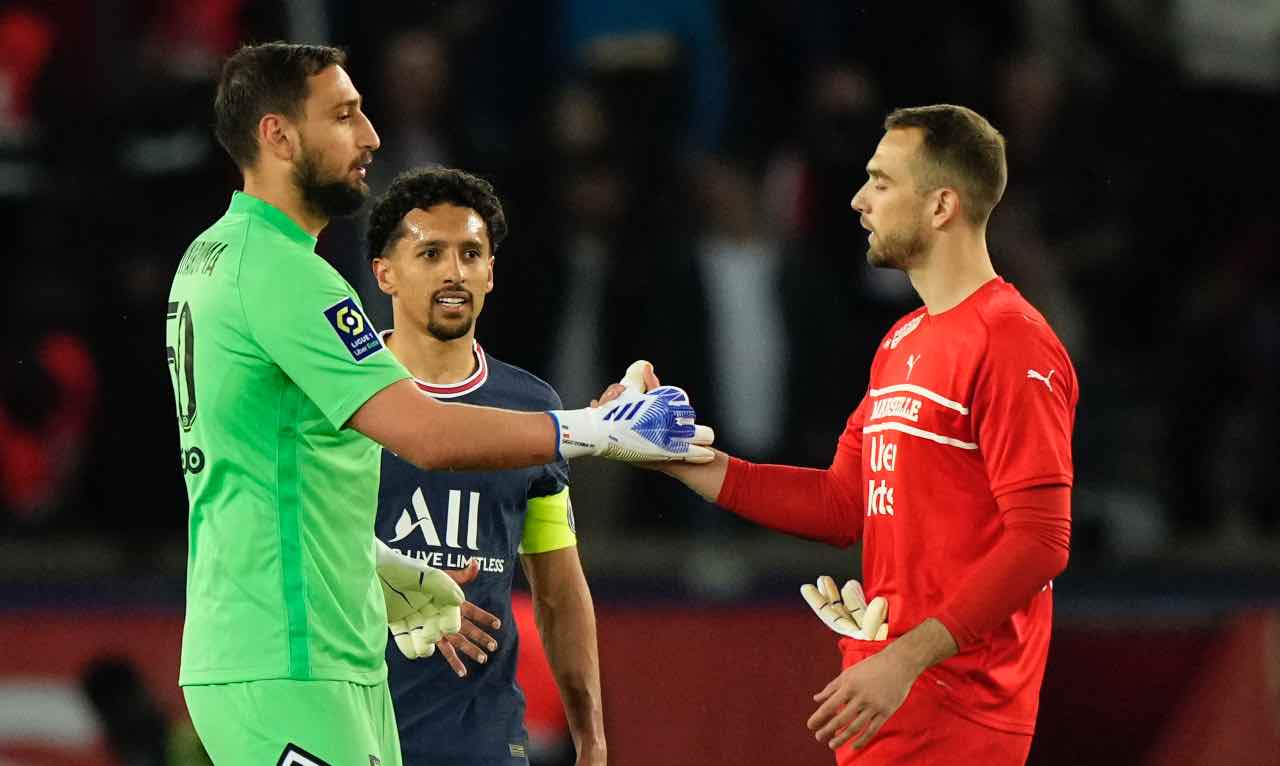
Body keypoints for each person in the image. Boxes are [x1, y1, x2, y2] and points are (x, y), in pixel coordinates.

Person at [167, 42, 707, 766]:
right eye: (345, 115)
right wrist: (596, 430)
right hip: (287, 657)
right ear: (278, 135)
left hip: (322, 651)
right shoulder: (287, 276)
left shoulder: (217, 255)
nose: (371, 137)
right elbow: (422, 431)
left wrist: (383, 570)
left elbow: (267, 465)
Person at [625, 104, 1076, 764]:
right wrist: (672, 458)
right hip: (885, 697)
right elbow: (841, 502)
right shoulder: (900, 341)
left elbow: (1040, 540)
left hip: (960, 709)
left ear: (942, 205)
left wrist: (907, 657)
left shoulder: (1011, 341)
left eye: (882, 182)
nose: (860, 200)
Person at [366, 167, 605, 765]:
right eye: (431, 252)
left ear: (491, 273)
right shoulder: (339, 396)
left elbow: (558, 587)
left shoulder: (531, 408)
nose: (454, 271)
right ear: (384, 273)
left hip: (481, 738)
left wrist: (592, 737)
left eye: (471, 253)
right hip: (355, 729)